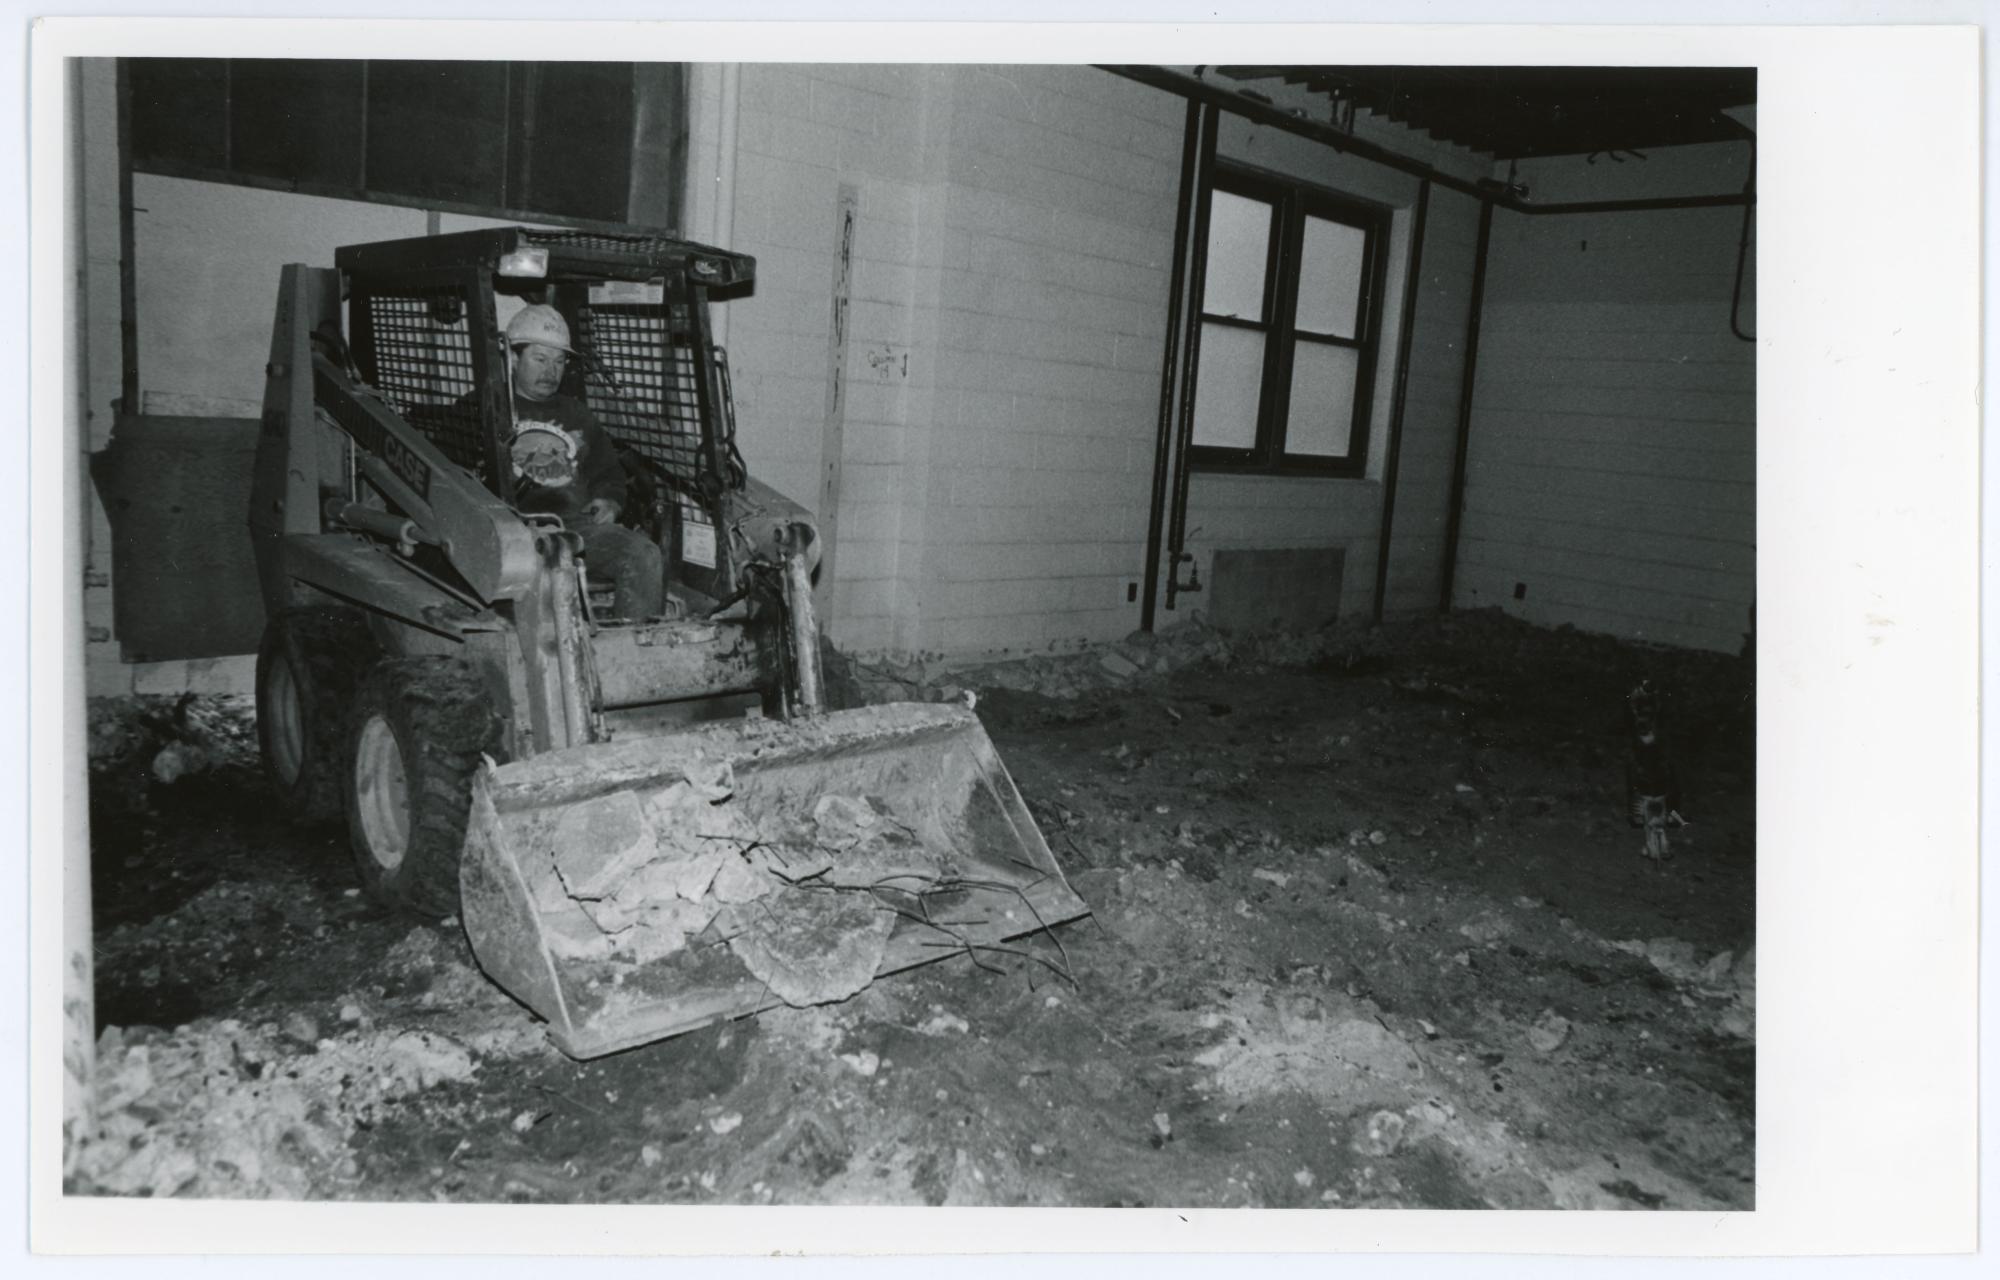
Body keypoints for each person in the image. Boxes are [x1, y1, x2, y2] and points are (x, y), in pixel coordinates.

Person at [504, 304, 665, 621]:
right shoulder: (487, 408)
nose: (551, 372)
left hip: (574, 527)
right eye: (540, 359)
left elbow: (609, 472)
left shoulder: (577, 414)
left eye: (559, 361)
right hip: (512, 531)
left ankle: (630, 654)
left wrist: (610, 500)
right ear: (512, 358)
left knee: (644, 554)